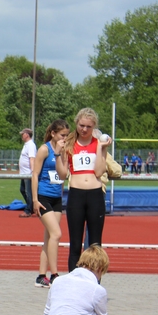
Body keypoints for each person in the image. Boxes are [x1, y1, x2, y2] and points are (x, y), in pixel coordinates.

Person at [56, 108, 112, 272]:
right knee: (75, 244)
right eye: (81, 125)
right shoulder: (69, 144)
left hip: (95, 195)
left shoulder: (98, 144)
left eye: (89, 126)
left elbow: (99, 172)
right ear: (76, 123)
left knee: (95, 244)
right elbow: (62, 174)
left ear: (94, 126)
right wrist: (58, 154)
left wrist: (100, 148)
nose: (84, 129)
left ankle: (94, 281)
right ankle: (74, 281)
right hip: (76, 195)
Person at [31, 119, 69, 288]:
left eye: (67, 136)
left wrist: (60, 154)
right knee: (56, 234)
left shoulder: (64, 151)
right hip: (43, 197)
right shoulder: (44, 149)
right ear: (53, 134)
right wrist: (35, 200)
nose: (64, 139)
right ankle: (54, 275)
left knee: (49, 237)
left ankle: (41, 276)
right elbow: (35, 174)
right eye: (62, 135)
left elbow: (63, 175)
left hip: (56, 197)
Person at [18, 128, 37, 217]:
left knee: (28, 192)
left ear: (27, 135)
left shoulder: (31, 145)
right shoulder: (26, 145)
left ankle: (28, 210)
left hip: (28, 173)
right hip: (24, 173)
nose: (22, 136)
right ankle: (31, 207)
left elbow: (32, 158)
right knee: (22, 190)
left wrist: (32, 171)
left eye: (23, 134)